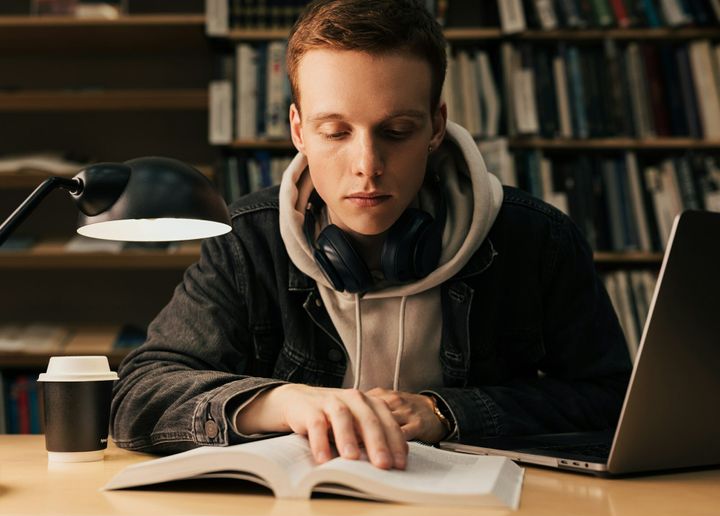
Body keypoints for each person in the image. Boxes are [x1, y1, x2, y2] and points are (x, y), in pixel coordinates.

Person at [110, 0, 632, 471]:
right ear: (298, 131)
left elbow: (613, 399)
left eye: (397, 131)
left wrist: (445, 412)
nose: (367, 166)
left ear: (435, 127)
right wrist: (286, 402)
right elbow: (139, 395)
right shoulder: (249, 239)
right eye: (335, 132)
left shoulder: (538, 239)